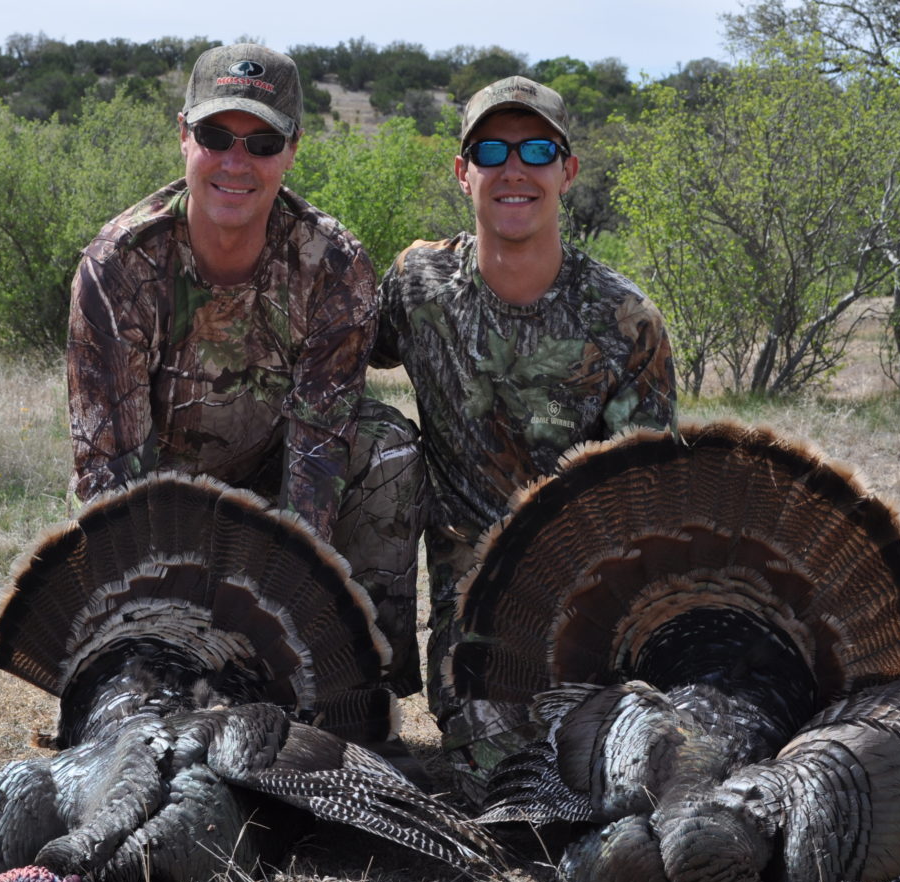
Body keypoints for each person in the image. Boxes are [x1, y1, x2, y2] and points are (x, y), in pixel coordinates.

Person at [66, 43, 423, 698]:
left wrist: (275, 623)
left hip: (279, 488)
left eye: (262, 141)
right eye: (215, 136)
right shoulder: (118, 266)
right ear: (183, 135)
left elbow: (316, 460)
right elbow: (111, 475)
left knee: (389, 447)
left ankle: (359, 688)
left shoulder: (334, 265)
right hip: (167, 503)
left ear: (292, 150)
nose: (237, 161)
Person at [373, 76, 679, 801]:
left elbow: (648, 507)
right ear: (462, 172)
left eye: (538, 149)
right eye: (492, 150)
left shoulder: (624, 319)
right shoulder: (417, 283)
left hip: (585, 593)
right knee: (502, 777)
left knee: (628, 769)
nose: (515, 169)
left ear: (567, 172)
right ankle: (357, 686)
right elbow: (330, 356)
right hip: (472, 598)